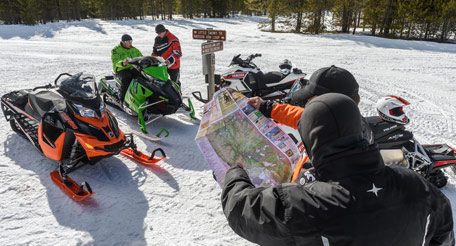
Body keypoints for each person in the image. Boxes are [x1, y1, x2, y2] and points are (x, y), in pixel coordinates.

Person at [222, 93, 454, 246]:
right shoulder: (416, 185)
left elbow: (240, 209)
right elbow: (443, 236)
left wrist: (234, 174)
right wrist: (268, 107)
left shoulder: (305, 203)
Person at [248, 65, 373, 144]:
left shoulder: (345, 137)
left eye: (312, 99)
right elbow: (301, 116)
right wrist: (267, 107)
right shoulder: (338, 119)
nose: (307, 102)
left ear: (332, 101)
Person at [111, 34, 143, 107]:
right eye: (129, 42)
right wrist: (123, 63)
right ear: (123, 42)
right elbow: (116, 62)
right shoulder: (116, 50)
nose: (130, 43)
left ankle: (139, 97)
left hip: (132, 68)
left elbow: (141, 57)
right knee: (127, 78)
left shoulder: (134, 49)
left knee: (142, 77)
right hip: (121, 69)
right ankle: (122, 100)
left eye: (131, 41)